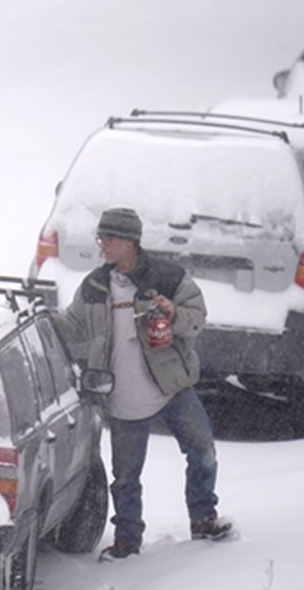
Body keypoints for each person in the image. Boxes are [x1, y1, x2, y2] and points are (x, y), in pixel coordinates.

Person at [54, 207, 230, 561]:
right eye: (100, 238)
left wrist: (174, 315)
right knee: (125, 478)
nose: (101, 245)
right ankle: (127, 540)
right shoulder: (94, 287)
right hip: (120, 398)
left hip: (171, 388)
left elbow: (198, 318)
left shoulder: (167, 277)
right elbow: (72, 327)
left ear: (128, 241)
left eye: (108, 238)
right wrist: (44, 321)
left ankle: (203, 518)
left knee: (203, 452)